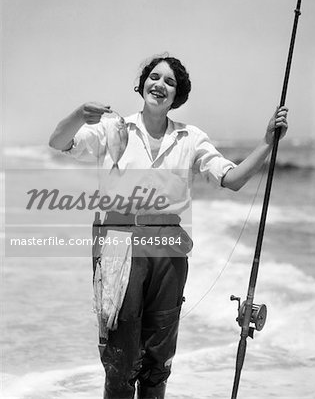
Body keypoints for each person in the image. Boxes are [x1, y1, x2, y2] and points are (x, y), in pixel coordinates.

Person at [49, 55, 288, 399]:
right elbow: (59, 142)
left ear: (178, 95)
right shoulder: (114, 128)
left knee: (159, 355)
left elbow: (231, 179)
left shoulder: (191, 138)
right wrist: (78, 115)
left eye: (170, 82)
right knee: (121, 353)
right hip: (117, 241)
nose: (160, 85)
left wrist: (268, 141)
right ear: (143, 84)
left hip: (170, 246)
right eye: (154, 77)